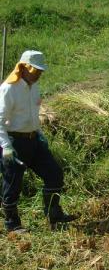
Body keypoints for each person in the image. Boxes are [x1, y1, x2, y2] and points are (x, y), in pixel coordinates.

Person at [0, 50, 76, 233]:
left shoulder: (34, 87)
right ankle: (12, 224)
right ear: (24, 68)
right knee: (12, 183)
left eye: (41, 71)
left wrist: (39, 134)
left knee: (54, 173)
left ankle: (54, 215)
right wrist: (6, 147)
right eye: (36, 70)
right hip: (14, 142)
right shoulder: (9, 89)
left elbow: (34, 113)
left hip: (33, 140)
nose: (39, 74)